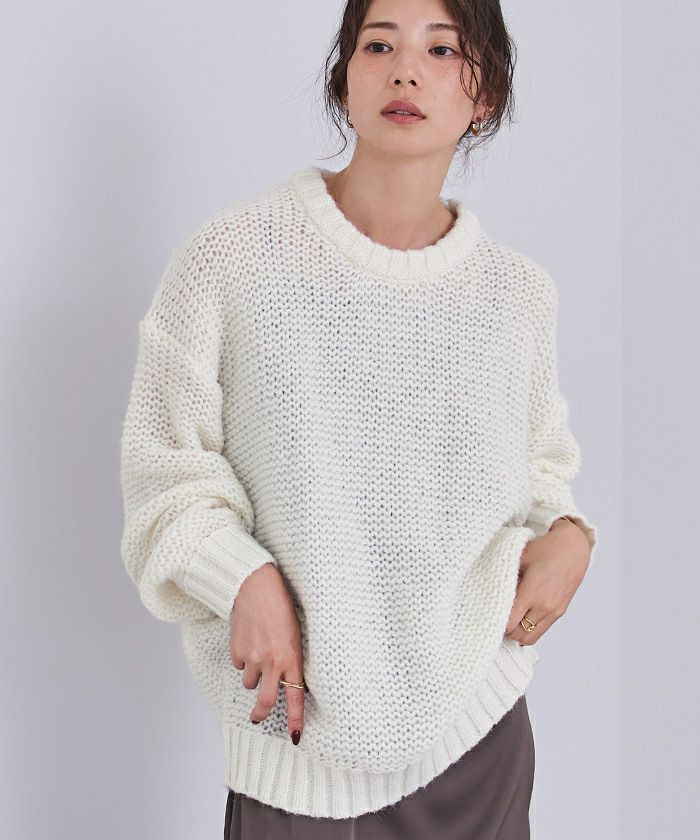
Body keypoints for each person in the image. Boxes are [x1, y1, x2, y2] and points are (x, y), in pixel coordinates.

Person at [119, 0, 598, 837]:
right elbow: (164, 479)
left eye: (442, 49)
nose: (405, 69)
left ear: (485, 93)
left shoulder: (518, 296)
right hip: (293, 739)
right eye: (379, 44)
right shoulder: (231, 260)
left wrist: (571, 536)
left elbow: (541, 475)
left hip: (476, 738)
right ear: (345, 79)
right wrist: (245, 578)